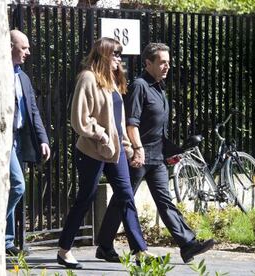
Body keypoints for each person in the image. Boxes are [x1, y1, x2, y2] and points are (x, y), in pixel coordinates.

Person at [108, 42, 214, 263]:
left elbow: (158, 128)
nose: (167, 66)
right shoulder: (139, 86)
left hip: (157, 157)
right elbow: (131, 123)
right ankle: (105, 244)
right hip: (139, 156)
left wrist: (171, 150)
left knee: (164, 201)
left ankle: (187, 244)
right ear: (149, 63)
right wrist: (136, 150)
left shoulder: (159, 88)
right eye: (162, 62)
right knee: (123, 200)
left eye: (168, 62)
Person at [57, 38, 158, 269]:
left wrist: (128, 147)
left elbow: (117, 121)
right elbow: (79, 119)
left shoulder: (111, 81)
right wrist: (101, 135)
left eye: (120, 54)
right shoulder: (88, 78)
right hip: (92, 150)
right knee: (85, 198)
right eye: (116, 54)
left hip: (116, 151)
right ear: (103, 55)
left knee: (125, 195)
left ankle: (140, 251)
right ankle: (64, 250)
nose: (119, 59)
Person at [7, 30, 51, 256]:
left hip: (20, 139)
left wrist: (43, 139)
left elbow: (33, 110)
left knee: (12, 187)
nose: (28, 52)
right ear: (10, 46)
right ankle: (4, 238)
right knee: (18, 185)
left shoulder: (22, 76)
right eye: (23, 48)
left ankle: (5, 240)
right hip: (4, 140)